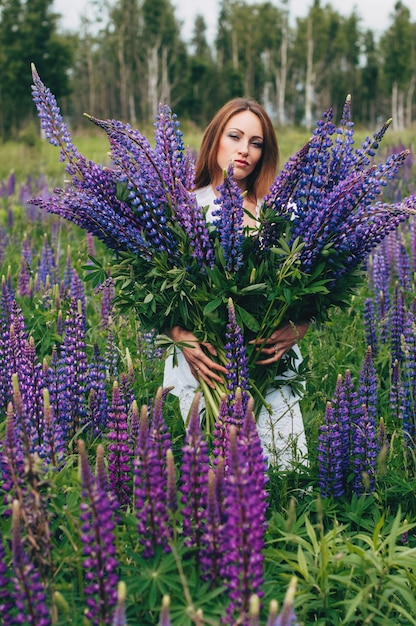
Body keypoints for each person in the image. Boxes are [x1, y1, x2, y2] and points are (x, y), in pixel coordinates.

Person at [163, 97, 309, 467]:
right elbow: (156, 291)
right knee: (215, 479)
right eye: (235, 136)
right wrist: (178, 335)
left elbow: (313, 282)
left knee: (285, 476)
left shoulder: (281, 209)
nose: (245, 150)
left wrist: (301, 325)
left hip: (269, 367)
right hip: (207, 370)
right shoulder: (184, 207)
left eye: (256, 142)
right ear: (215, 138)